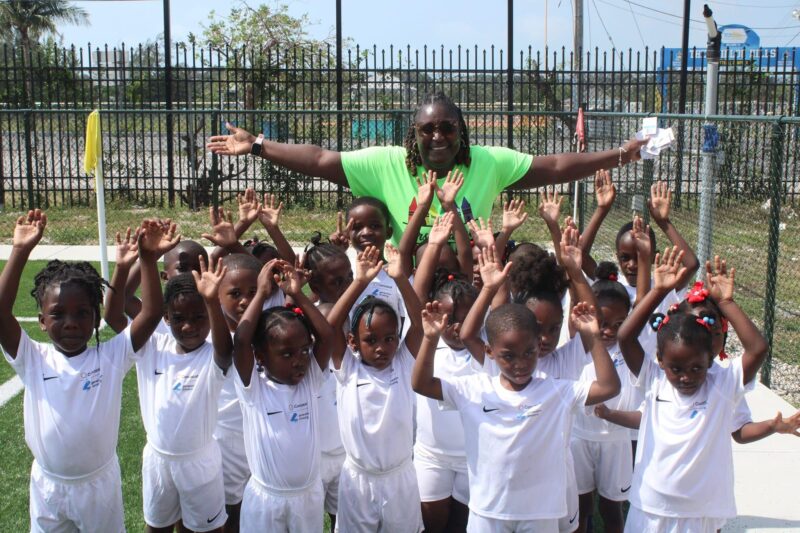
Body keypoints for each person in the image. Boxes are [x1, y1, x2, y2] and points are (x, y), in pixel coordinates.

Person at [207, 92, 648, 246]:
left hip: (466, 287)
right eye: (428, 129)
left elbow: (554, 166)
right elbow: (322, 160)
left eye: (448, 127)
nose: (438, 136)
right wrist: (259, 145)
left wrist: (620, 155)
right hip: (404, 287)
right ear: (413, 134)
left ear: (462, 131)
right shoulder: (386, 162)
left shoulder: (488, 162)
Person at [0, 211, 172, 532]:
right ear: (41, 321)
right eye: (58, 314)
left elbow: (150, 315)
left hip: (98, 486)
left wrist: (148, 260)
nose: (71, 323)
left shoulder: (111, 356)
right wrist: (20, 249)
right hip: (49, 487)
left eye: (82, 313)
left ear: (96, 319)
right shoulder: (32, 358)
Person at [412, 292, 621, 532]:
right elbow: (421, 384)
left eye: (528, 353)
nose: (520, 364)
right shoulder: (474, 389)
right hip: (488, 511)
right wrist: (430, 338)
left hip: (540, 512)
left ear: (537, 346)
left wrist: (593, 336)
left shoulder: (556, 391)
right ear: (490, 351)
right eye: (508, 356)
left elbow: (609, 387)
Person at [616, 249, 769, 532]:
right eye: (676, 368)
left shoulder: (722, 384)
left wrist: (726, 302)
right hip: (650, 507)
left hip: (700, 512)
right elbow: (625, 336)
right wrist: (659, 291)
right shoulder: (654, 378)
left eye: (696, 368)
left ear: (710, 360)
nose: (686, 377)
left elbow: (758, 348)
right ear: (661, 361)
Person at [325, 244, 426, 532]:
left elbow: (419, 324)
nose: (381, 347)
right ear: (353, 342)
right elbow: (330, 328)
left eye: (389, 338)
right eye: (371, 340)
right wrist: (360, 281)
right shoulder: (348, 368)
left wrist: (400, 278)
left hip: (400, 478)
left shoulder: (403, 364)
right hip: (358, 480)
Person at [232, 259, 335, 531]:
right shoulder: (254, 388)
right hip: (267, 500)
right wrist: (261, 294)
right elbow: (241, 341)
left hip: (308, 498)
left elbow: (326, 336)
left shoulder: (309, 380)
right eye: (287, 354)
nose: (299, 360)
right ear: (260, 357)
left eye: (304, 350)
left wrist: (297, 293)